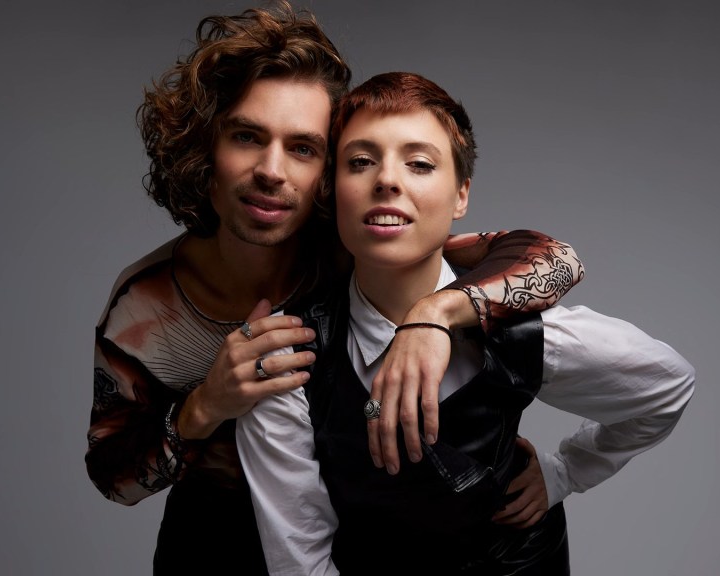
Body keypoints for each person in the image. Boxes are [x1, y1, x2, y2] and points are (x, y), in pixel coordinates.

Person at [84, 4, 584, 574]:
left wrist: (435, 314)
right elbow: (112, 479)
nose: (272, 170)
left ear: (329, 168)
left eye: (303, 148)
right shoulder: (144, 307)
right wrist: (206, 405)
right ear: (205, 149)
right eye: (246, 136)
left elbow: (557, 261)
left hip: (357, 531)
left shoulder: (359, 247)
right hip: (216, 543)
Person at [236, 72, 696, 574]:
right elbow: (300, 561)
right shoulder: (288, 351)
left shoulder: (521, 330)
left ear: (461, 195)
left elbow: (665, 385)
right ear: (332, 190)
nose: (387, 180)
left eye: (419, 164)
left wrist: (565, 471)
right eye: (361, 161)